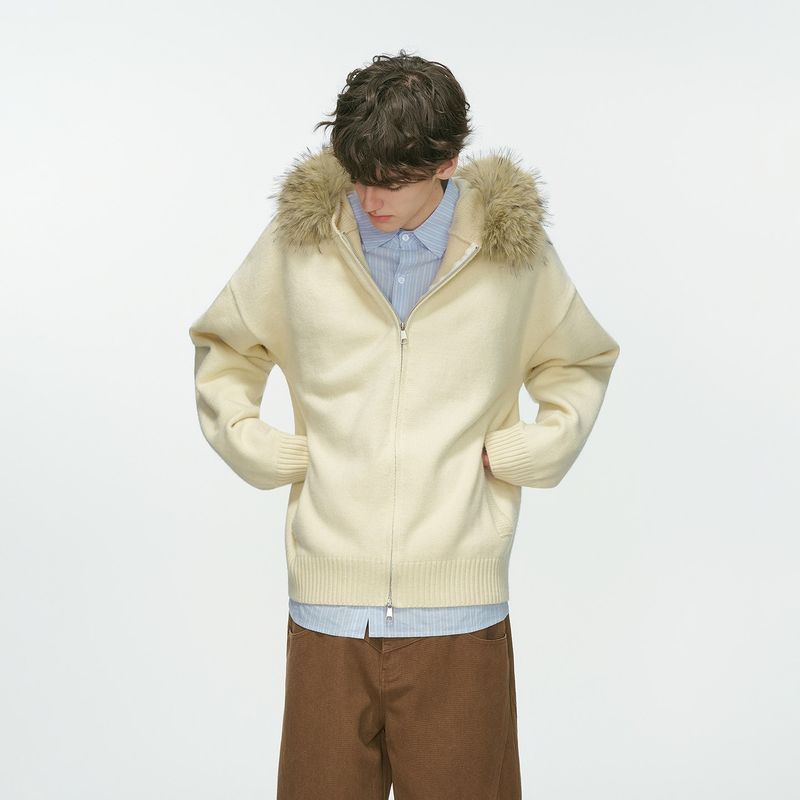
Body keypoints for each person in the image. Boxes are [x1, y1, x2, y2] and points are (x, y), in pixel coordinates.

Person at [188, 49, 620, 800]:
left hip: (460, 615)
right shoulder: (303, 239)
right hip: (328, 612)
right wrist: (259, 446)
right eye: (358, 175)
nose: (369, 198)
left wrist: (531, 449)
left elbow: (578, 360)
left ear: (447, 163)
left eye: (391, 182)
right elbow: (226, 346)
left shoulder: (510, 253)